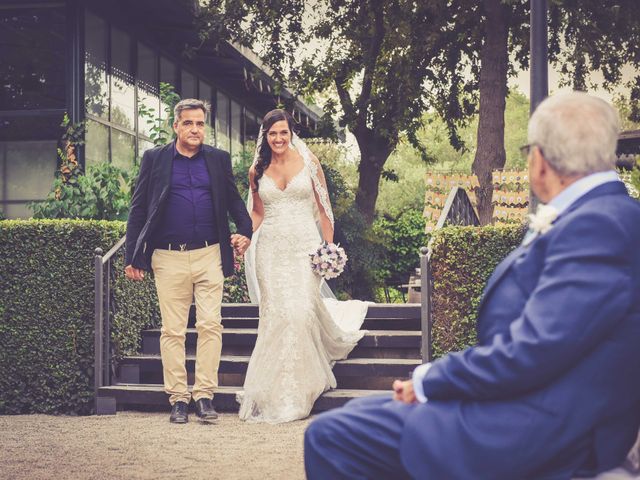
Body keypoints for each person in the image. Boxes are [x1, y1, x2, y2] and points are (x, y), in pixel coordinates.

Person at [304, 91, 640, 479]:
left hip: (541, 427)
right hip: (535, 404)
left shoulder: (599, 225)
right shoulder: (603, 215)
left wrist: (434, 378)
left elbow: (534, 349)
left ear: (542, 161)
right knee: (356, 414)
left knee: (332, 436)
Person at [124, 99, 252, 424]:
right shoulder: (155, 158)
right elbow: (139, 208)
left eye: (199, 124)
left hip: (210, 252)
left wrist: (246, 231)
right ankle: (179, 398)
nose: (195, 130)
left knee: (211, 324)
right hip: (167, 256)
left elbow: (236, 201)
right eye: (188, 123)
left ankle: (205, 395)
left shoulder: (218, 159)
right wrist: (133, 256)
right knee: (173, 330)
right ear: (176, 126)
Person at [238, 109, 369, 423]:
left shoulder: (309, 164)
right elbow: (257, 213)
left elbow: (325, 211)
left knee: (299, 312)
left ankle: (302, 387)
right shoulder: (256, 170)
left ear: (291, 133)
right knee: (277, 316)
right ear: (265, 136)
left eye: (283, 132)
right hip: (269, 250)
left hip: (304, 248)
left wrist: (327, 248)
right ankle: (274, 389)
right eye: (273, 134)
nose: (279, 139)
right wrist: (244, 236)